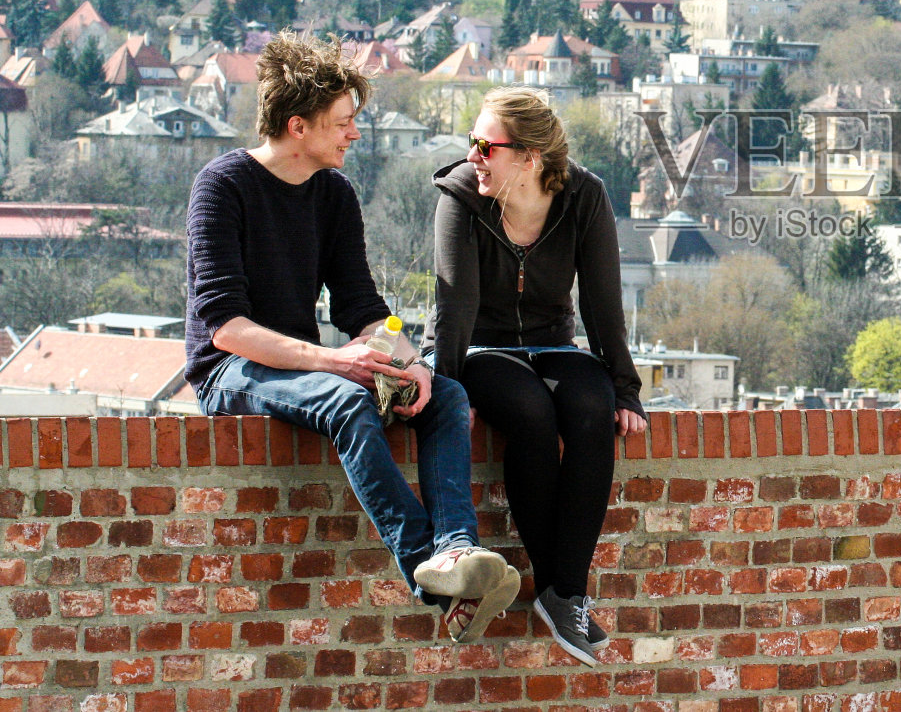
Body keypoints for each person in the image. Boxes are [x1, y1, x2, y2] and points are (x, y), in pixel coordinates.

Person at [185, 33, 520, 644]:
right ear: (298, 126)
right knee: (346, 400)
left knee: (445, 394)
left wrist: (411, 363)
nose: (355, 134)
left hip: (304, 365)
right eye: (343, 122)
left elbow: (362, 307)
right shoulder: (223, 185)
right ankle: (428, 572)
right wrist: (335, 361)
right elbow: (227, 329)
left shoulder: (334, 194)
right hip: (230, 371)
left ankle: (455, 551)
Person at [424, 86, 647, 667]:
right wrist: (446, 389)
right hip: (481, 346)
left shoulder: (584, 196)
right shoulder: (461, 197)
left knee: (592, 408)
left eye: (485, 146)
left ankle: (563, 593)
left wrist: (625, 388)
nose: (472, 156)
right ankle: (560, 590)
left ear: (529, 157)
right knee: (530, 412)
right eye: (472, 142)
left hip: (553, 343)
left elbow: (602, 302)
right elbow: (454, 305)